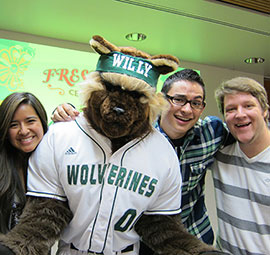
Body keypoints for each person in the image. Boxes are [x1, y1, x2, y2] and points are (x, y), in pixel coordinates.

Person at [51, 69, 230, 246]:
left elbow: (246, 132)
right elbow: (92, 127)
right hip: (145, 239)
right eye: (178, 100)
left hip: (194, 235)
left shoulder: (212, 132)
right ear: (161, 99)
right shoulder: (134, 133)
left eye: (196, 103)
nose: (187, 109)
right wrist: (64, 112)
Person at [211, 77, 270, 254]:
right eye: (231, 109)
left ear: (265, 110)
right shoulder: (219, 156)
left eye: (248, 106)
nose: (240, 114)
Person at [0, 92, 48, 234]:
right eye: (14, 125)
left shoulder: (54, 163)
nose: (24, 131)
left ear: (42, 122)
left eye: (30, 121)